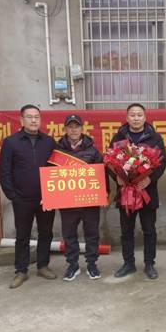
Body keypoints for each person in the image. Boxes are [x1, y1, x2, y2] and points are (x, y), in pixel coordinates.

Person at [0, 104, 57, 289]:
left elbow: (55, 169)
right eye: (30, 117)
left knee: (46, 233)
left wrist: (54, 193)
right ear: (22, 120)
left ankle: (43, 266)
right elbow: (4, 171)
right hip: (22, 199)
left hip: (46, 198)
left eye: (37, 117)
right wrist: (13, 195)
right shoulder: (11, 142)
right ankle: (21, 271)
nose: (33, 120)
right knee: (22, 235)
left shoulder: (49, 142)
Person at [109, 103, 166, 279]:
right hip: (125, 192)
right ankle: (128, 263)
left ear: (145, 117)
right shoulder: (118, 137)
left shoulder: (155, 137)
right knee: (126, 230)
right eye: (132, 115)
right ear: (127, 118)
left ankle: (149, 264)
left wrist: (150, 178)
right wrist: (117, 177)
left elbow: (162, 162)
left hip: (146, 192)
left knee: (149, 230)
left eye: (139, 115)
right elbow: (109, 160)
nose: (136, 118)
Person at [50, 114, 107, 282]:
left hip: (89, 202)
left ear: (82, 129)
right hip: (68, 203)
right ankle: (72, 265)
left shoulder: (93, 151)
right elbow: (51, 175)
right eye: (70, 127)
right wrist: (49, 196)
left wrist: (105, 193)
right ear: (65, 129)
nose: (73, 130)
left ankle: (92, 264)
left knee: (92, 234)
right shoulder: (58, 151)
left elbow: (102, 174)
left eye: (77, 127)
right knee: (69, 235)